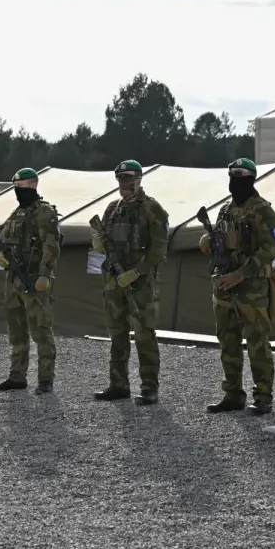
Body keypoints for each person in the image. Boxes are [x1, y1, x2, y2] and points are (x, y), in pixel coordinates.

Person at [198, 158, 275, 415]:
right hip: (223, 285)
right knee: (227, 341)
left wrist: (241, 274)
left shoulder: (262, 211)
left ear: (252, 179)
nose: (236, 182)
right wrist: (209, 243)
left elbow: (271, 248)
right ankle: (233, 394)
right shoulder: (224, 210)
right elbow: (222, 241)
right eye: (233, 176)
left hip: (252, 287)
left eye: (242, 177)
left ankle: (263, 397)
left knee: (257, 342)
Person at [91, 160, 170, 405]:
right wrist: (98, 242)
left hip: (140, 282)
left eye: (130, 178)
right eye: (121, 178)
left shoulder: (152, 208)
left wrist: (137, 272)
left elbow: (159, 247)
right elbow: (101, 237)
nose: (125, 183)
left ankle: (149, 387)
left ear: (139, 179)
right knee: (117, 333)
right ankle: (118, 384)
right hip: (114, 280)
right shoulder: (113, 208)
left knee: (144, 333)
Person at [0, 168, 61, 394]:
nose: (17, 191)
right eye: (15, 187)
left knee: (41, 329)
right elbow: (0, 237)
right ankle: (17, 376)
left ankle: (45, 380)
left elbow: (51, 245)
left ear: (32, 185)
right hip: (13, 280)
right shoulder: (17, 212)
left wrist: (44, 274)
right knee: (16, 331)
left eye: (20, 187)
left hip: (34, 279)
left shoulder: (44, 212)